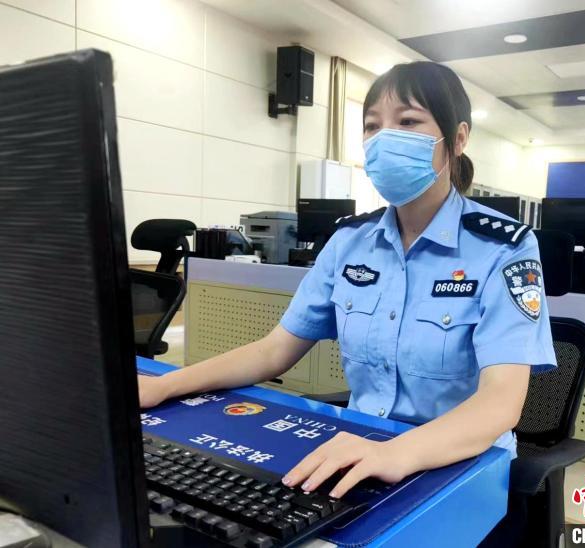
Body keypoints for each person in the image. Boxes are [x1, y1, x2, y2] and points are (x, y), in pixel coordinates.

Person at [138, 61, 556, 500]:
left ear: (458, 138)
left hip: (462, 465)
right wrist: (165, 385)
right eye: (372, 126)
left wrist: (397, 453)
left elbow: (499, 404)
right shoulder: (350, 241)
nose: (384, 138)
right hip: (362, 451)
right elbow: (273, 351)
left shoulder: (504, 247)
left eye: (408, 122)